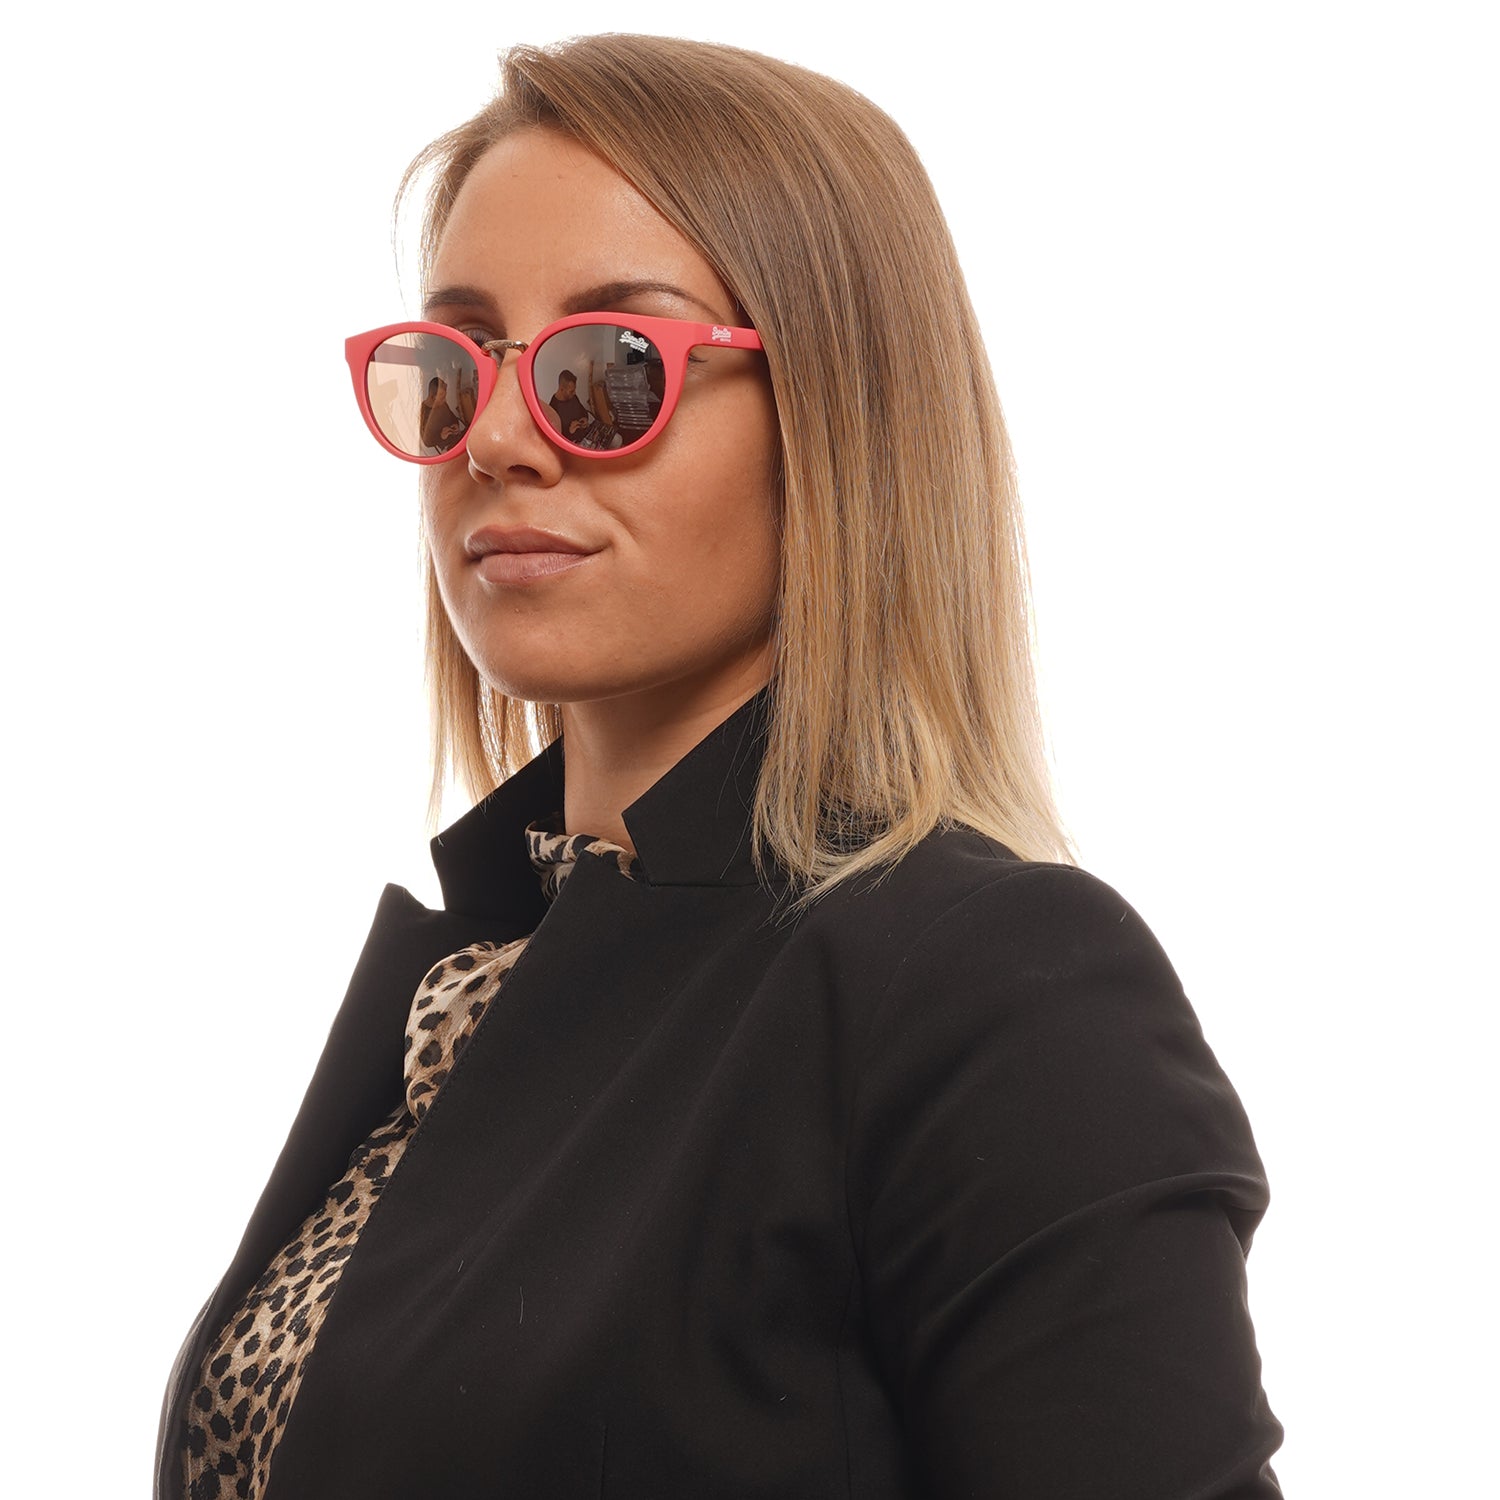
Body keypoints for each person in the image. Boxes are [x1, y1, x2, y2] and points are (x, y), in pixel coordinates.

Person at [159, 34, 1282, 1500]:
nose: (495, 438)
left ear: (838, 423)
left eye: (608, 372)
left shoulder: (991, 990)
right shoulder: (484, 977)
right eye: (452, 371)